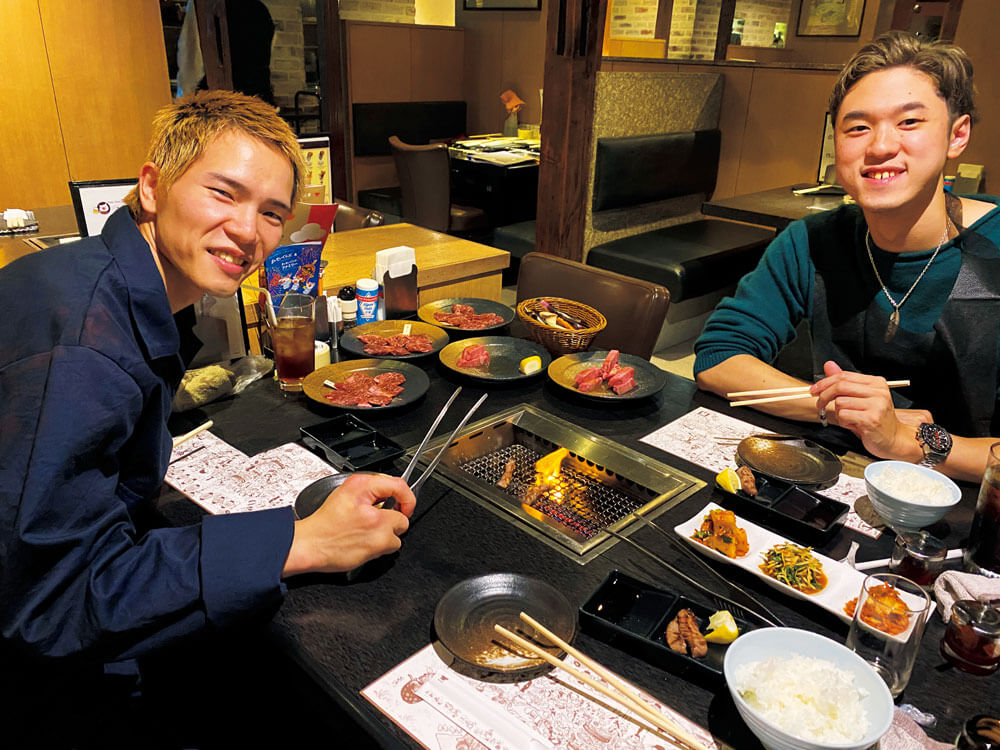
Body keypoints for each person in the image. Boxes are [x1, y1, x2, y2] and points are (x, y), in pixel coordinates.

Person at [0, 90, 415, 746]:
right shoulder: (85, 344)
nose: (250, 233)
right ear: (152, 187)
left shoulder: (100, 278)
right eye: (224, 194)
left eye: (272, 213)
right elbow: (50, 604)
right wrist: (301, 542)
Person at [694, 31, 1000, 483]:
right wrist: (838, 409)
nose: (879, 146)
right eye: (857, 127)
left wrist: (904, 440)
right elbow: (719, 356)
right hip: (835, 488)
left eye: (909, 122)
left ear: (958, 135)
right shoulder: (812, 242)